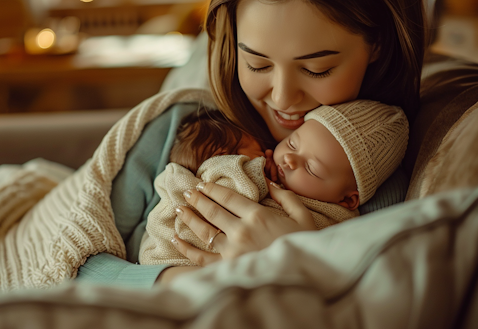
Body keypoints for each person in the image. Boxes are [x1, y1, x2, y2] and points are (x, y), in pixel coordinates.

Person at [76, 0, 426, 287]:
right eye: (257, 64)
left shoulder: (375, 183)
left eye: (316, 68)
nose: (282, 97)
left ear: (378, 46)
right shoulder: (181, 129)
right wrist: (180, 283)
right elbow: (72, 259)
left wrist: (303, 263)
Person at [139, 100, 408, 266]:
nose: (289, 158)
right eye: (292, 143)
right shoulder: (197, 123)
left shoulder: (339, 221)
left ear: (347, 199)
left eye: (312, 168)